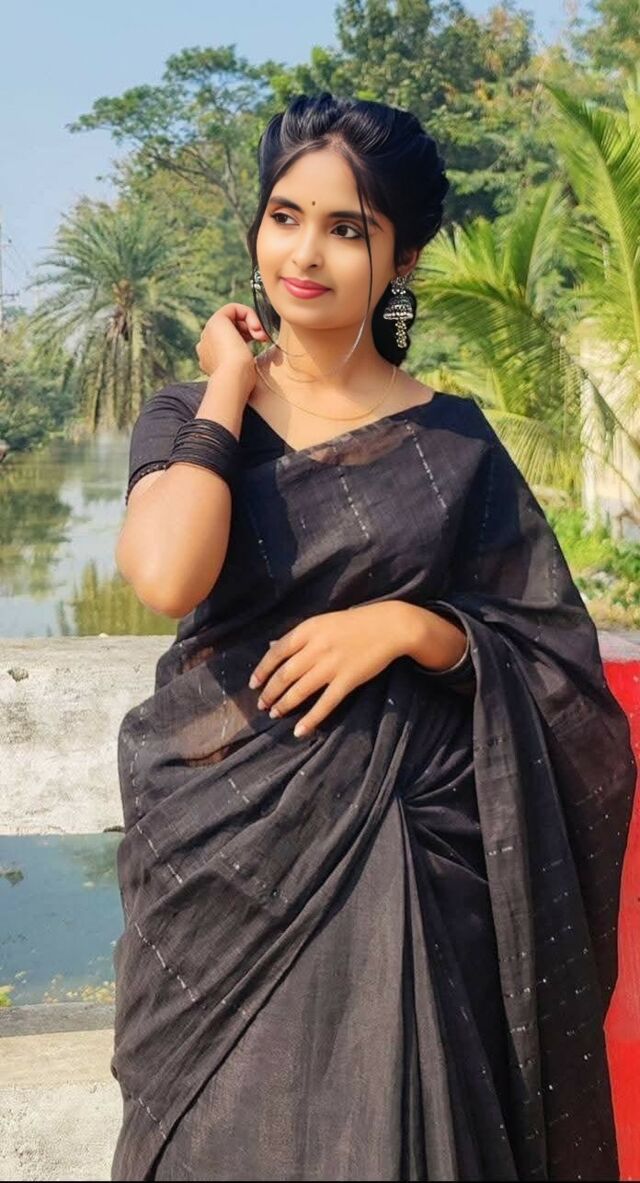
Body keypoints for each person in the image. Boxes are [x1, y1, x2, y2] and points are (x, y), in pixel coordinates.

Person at [110, 93, 636, 1182]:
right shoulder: (193, 414)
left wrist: (413, 627)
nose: (304, 253)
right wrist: (229, 381)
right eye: (284, 216)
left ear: (401, 259)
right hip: (218, 865)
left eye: (346, 228)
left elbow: (554, 662)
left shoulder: (453, 442)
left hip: (409, 857)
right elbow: (166, 575)